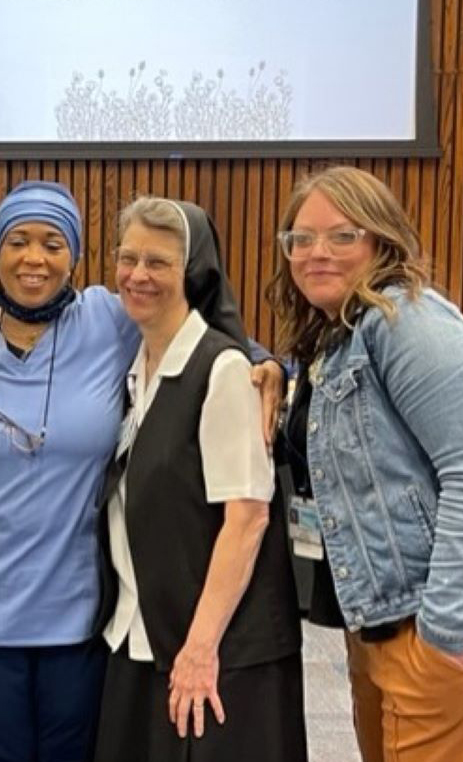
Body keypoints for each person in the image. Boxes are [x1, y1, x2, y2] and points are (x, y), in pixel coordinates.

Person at [0, 181, 284, 762]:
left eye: (53, 244)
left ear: (74, 255)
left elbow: (194, 330)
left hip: (83, 621)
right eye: (17, 241)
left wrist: (262, 360)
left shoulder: (108, 319)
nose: (34, 258)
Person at [267, 166, 463, 762]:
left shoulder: (408, 322)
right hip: (380, 624)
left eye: (342, 235)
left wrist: (446, 630)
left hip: (439, 627)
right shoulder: (338, 336)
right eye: (301, 238)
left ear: (382, 240)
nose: (317, 252)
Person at [93, 196, 306, 762]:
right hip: (140, 635)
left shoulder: (224, 370)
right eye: (128, 258)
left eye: (158, 262)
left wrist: (201, 647)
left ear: (193, 271)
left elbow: (248, 517)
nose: (138, 275)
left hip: (214, 654)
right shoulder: (137, 367)